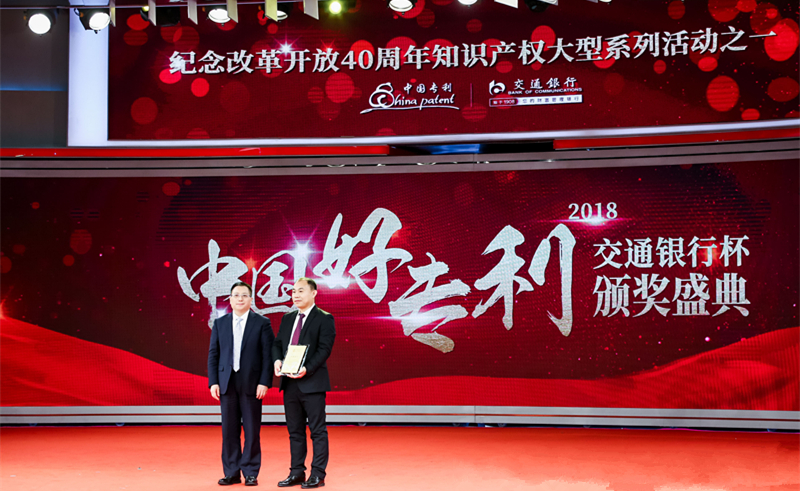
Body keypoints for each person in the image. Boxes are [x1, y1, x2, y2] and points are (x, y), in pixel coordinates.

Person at [208, 281, 274, 486]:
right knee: (229, 430)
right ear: (230, 299)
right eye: (236, 295)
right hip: (226, 382)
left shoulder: (262, 323)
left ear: (251, 299)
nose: (240, 298)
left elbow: (268, 356)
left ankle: (251, 472)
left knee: (252, 430)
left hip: (252, 384)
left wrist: (264, 382)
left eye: (244, 295)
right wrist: (213, 382)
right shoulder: (220, 323)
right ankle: (231, 472)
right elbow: (213, 354)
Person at [272, 278, 336, 489]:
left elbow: (324, 349)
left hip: (312, 383)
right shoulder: (288, 318)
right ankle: (296, 472)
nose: (296, 295)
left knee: (317, 431)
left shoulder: (324, 318)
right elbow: (277, 344)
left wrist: (307, 368)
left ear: (314, 293)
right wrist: (277, 360)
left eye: (301, 291)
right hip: (289, 384)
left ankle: (318, 475)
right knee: (295, 432)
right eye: (293, 291)